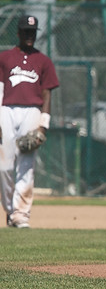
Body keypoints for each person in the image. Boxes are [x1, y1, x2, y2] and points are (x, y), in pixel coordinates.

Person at [0, 15, 60, 228]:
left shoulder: (43, 61)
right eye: (26, 31)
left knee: (26, 165)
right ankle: (10, 210)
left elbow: (47, 94)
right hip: (6, 109)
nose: (29, 35)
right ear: (18, 33)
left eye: (33, 32)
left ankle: (21, 214)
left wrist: (43, 124)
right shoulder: (5, 57)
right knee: (4, 166)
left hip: (32, 111)